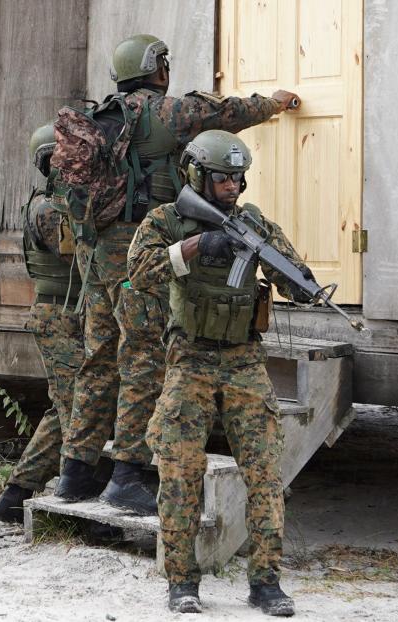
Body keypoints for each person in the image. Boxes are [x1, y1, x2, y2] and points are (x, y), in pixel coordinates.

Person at [56, 34, 299, 516]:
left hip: (93, 249)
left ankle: (76, 471)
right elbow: (227, 114)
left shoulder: (103, 118)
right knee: (144, 355)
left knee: (100, 355)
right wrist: (272, 103)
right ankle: (127, 475)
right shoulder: (163, 113)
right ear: (157, 68)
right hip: (136, 247)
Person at [127, 129, 309, 615]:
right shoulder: (166, 220)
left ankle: (266, 581)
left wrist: (304, 284)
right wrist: (193, 248)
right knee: (180, 469)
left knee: (265, 472)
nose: (232, 186)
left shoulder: (254, 223)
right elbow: (137, 273)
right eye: (222, 178)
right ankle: (182, 581)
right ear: (196, 176)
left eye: (238, 178)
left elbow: (293, 275)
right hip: (190, 359)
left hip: (244, 358)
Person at [0, 124, 87, 523]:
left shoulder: (72, 202)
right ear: (50, 162)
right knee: (76, 411)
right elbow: (83, 254)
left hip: (74, 315)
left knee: (66, 406)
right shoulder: (47, 208)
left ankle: (16, 494)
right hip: (58, 316)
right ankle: (72, 502)